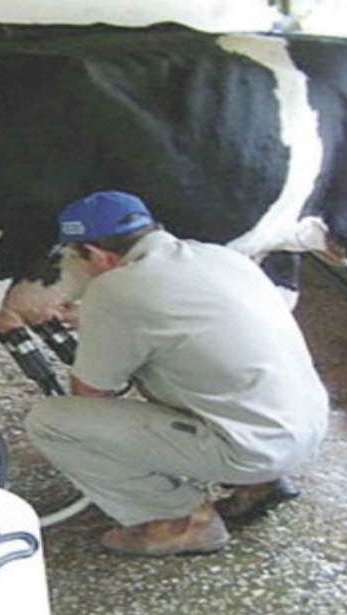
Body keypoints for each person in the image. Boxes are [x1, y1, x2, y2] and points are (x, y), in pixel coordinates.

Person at [26, 190, 329, 556]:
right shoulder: (221, 256)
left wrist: (101, 324)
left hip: (255, 447)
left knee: (52, 421)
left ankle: (177, 523)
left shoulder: (114, 290)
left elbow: (91, 393)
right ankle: (260, 484)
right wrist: (104, 321)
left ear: (98, 254)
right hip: (307, 428)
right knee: (190, 368)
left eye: (78, 257)